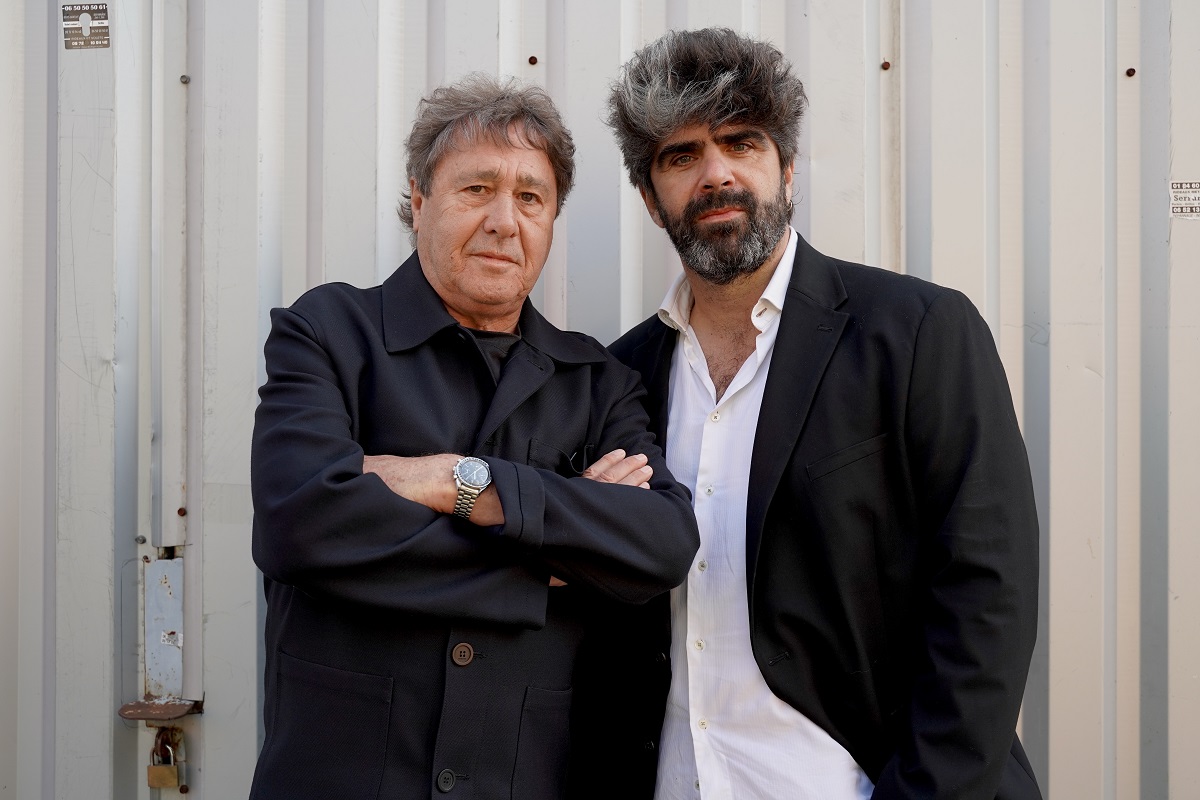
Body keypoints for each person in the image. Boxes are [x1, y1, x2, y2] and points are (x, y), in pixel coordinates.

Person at [593, 27, 1041, 800]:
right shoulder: (619, 376)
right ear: (649, 198)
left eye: (742, 142)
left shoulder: (917, 333)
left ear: (788, 168)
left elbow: (987, 598)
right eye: (681, 155)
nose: (716, 173)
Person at [248, 74, 699, 800]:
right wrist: (554, 554)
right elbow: (300, 523)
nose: (504, 221)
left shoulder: (597, 381)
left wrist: (451, 481)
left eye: (531, 198)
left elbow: (662, 544)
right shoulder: (327, 333)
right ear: (419, 199)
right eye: (477, 189)